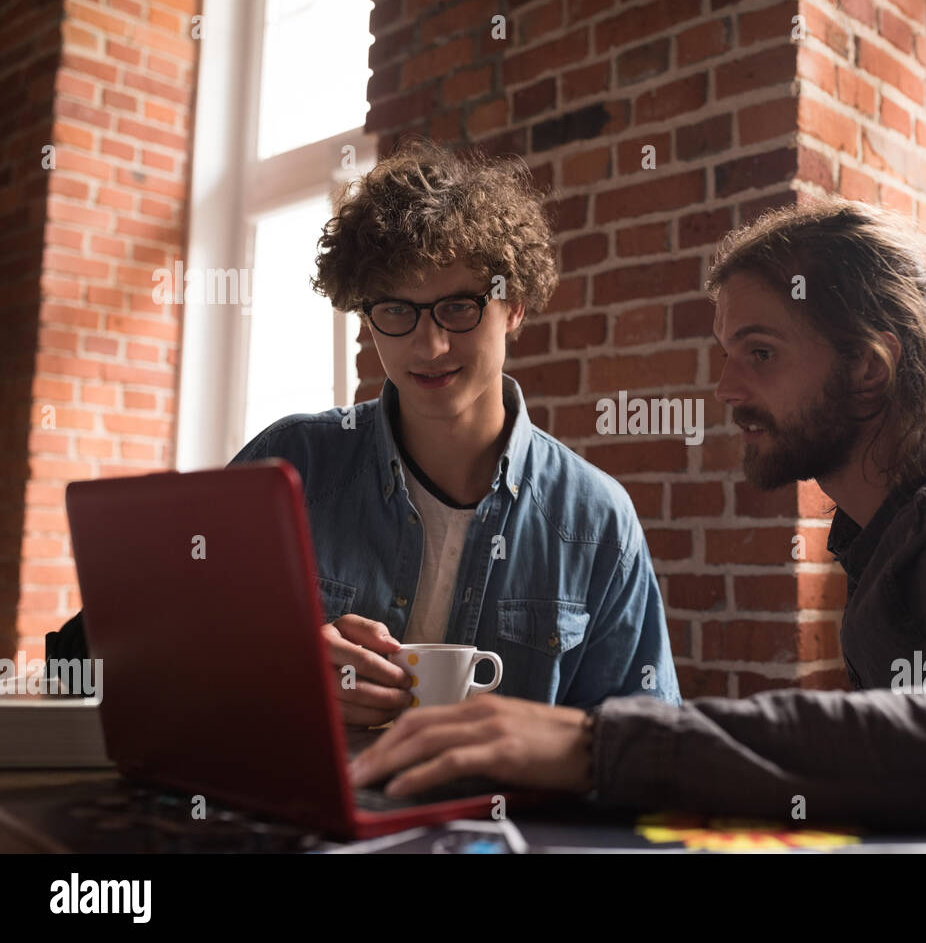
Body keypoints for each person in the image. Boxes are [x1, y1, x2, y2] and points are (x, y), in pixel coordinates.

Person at [349, 197, 926, 829]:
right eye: (728, 352)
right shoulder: (888, 531)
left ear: (868, 373)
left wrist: (595, 744)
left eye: (759, 352)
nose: (726, 388)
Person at [46, 139, 680, 722]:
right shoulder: (291, 466)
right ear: (367, 318)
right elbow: (81, 660)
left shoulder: (596, 520)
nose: (430, 344)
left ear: (512, 306)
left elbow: (643, 751)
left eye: (460, 306)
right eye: (397, 311)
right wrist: (272, 659)